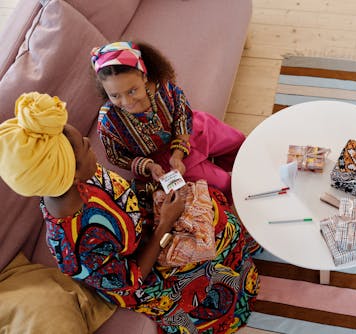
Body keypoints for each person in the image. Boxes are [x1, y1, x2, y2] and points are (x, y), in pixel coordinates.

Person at [0, 92, 261, 333]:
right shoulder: (78, 248)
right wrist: (166, 224)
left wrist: (156, 186)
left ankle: (239, 261)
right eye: (84, 145)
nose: (90, 142)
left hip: (147, 229)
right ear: (70, 174)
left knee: (212, 209)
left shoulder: (81, 180)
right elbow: (131, 281)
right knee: (218, 241)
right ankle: (234, 302)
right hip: (144, 276)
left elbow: (124, 198)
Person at [90, 41, 245, 200]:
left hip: (188, 132)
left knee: (239, 143)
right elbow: (117, 156)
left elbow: (182, 115)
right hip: (162, 162)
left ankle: (242, 169)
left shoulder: (164, 88)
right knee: (224, 184)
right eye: (115, 95)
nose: (127, 101)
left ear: (144, 76)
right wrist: (150, 166)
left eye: (132, 91)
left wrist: (177, 153)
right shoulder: (108, 123)